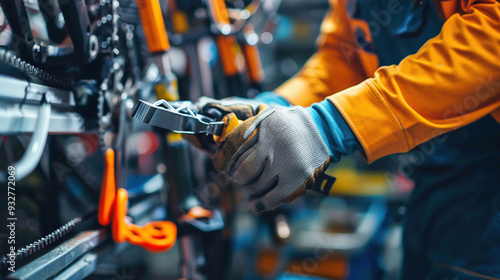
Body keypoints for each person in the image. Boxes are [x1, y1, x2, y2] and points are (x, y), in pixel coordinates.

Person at [195, 0, 500, 278]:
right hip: (436, 191)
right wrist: (278, 107)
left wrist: (331, 125)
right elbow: (345, 56)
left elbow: (493, 37)